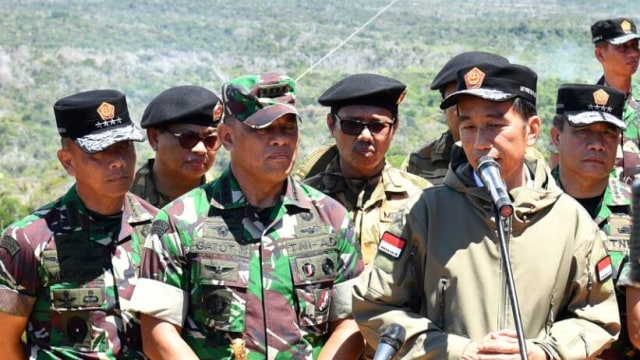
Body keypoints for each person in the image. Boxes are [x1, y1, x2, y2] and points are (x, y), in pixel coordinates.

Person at [352, 61, 620, 359]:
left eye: (495, 126)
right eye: (468, 127)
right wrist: (459, 351)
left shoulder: (570, 221)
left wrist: (543, 351)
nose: (480, 143)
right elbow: (375, 306)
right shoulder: (423, 213)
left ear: (531, 131)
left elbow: (598, 317)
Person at [130, 73, 365, 359]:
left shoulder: (331, 218)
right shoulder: (178, 222)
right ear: (227, 137)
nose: (280, 140)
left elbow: (352, 323)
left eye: (288, 128)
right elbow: (159, 334)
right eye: (263, 129)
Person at [0, 89, 158, 359]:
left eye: (124, 146)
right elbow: (5, 342)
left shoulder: (159, 229)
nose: (118, 162)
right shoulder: (29, 240)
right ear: (68, 162)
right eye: (100, 152)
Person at [300, 73, 429, 266]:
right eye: (352, 125)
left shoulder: (421, 198)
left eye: (378, 126)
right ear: (331, 125)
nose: (366, 136)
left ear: (394, 128)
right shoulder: (302, 200)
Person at [550, 83, 636, 358]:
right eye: (583, 131)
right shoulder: (523, 208)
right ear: (556, 137)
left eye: (609, 133)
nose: (597, 144)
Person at [401, 51, 509, 184]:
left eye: (485, 104)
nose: (470, 111)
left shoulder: (526, 161)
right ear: (443, 106)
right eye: (457, 102)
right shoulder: (419, 161)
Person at [552, 18, 640, 179]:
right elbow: (560, 167)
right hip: (598, 203)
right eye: (623, 47)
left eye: (635, 46)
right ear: (600, 54)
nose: (633, 53)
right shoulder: (582, 110)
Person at [130, 85, 222, 208]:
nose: (201, 149)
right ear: (155, 138)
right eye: (188, 138)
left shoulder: (226, 202)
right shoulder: (120, 201)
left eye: (211, 140)